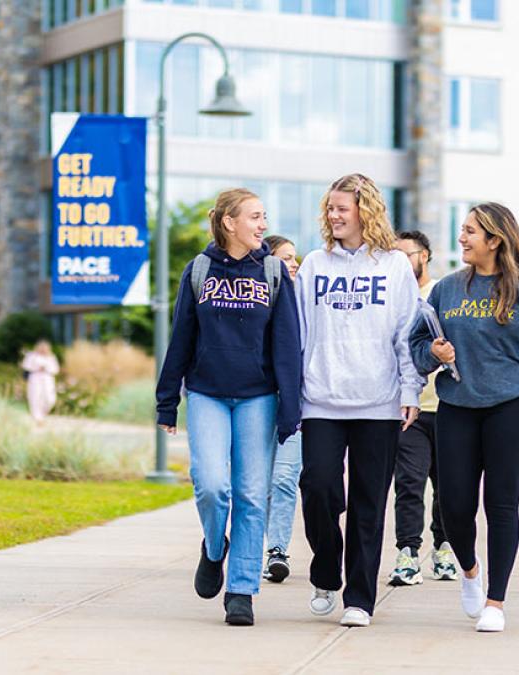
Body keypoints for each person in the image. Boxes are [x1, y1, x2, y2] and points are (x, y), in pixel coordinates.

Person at [410, 202, 519, 633]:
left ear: (495, 239)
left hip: (512, 407)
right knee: (453, 505)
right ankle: (470, 571)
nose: (462, 238)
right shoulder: (446, 290)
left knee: (501, 504)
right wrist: (433, 353)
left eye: (470, 231)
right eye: (463, 230)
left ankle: (495, 602)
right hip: (457, 407)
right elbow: (417, 346)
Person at [155, 188, 301, 626]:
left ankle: (241, 590)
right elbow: (181, 336)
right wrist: (166, 402)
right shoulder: (199, 270)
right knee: (212, 484)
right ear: (229, 223)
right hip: (207, 393)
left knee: (253, 495)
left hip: (258, 395)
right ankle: (214, 547)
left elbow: (287, 345)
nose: (262, 225)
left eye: (264, 217)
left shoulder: (273, 272)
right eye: (255, 217)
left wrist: (290, 407)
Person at [295, 173, 423, 628]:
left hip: (379, 403)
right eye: (329, 208)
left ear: (364, 211)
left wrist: (411, 391)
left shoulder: (393, 267)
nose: (332, 215)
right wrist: (293, 393)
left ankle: (360, 599)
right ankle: (326, 568)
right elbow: (300, 332)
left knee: (370, 502)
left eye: (341, 208)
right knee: (318, 489)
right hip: (321, 400)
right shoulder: (313, 265)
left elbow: (408, 334)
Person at [388, 230, 456, 586]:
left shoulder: (443, 293)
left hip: (446, 406)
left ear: (424, 255)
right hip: (407, 410)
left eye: (406, 254)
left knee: (447, 486)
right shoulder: (393, 296)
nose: (400, 261)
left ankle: (444, 547)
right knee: (410, 483)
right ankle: (408, 553)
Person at [261, 234, 303, 583]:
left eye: (295, 258)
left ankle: (277, 550)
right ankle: (248, 544)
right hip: (257, 401)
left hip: (297, 403)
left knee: (285, 477)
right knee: (256, 483)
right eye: (286, 258)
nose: (294, 264)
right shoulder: (256, 299)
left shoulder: (307, 299)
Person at [21, 340, 60, 422]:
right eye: (41, 347)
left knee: (50, 398)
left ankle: (43, 413)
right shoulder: (32, 356)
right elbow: (26, 366)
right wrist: (36, 367)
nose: (43, 349)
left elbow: (56, 370)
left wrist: (46, 368)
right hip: (35, 378)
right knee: (35, 397)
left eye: (44, 348)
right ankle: (37, 417)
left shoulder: (51, 357)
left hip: (47, 379)